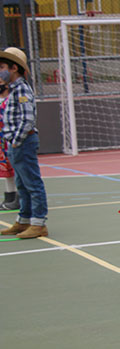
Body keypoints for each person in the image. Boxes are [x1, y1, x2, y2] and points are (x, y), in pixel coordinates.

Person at [0, 48, 48, 238]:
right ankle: (24, 220)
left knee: (32, 183)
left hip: (23, 142)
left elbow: (27, 119)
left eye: (2, 67)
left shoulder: (21, 89)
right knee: (22, 184)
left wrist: (16, 140)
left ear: (14, 68)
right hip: (15, 142)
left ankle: (38, 223)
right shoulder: (12, 89)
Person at [0, 69, 19, 211]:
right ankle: (9, 195)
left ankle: (19, 197)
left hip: (10, 138)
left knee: (16, 168)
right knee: (5, 169)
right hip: (1, 141)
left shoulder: (11, 100)